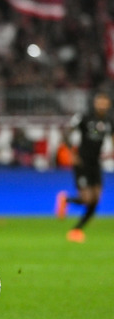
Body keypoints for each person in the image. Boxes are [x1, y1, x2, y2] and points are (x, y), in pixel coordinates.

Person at [55, 92, 113, 243]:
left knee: (96, 199)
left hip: (96, 163)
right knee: (87, 199)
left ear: (108, 104)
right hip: (82, 162)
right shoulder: (85, 118)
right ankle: (66, 200)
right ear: (95, 103)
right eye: (100, 101)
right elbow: (66, 133)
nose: (102, 105)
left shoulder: (109, 121)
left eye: (105, 102)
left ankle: (77, 229)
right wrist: (72, 154)